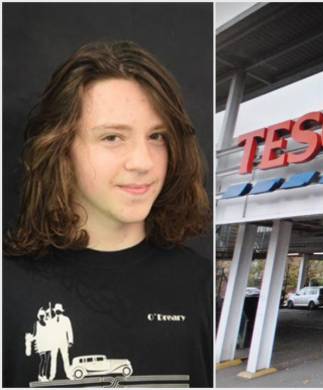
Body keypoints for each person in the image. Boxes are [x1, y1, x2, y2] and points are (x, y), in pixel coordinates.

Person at [3, 41, 212, 387]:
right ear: (60, 148)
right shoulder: (7, 289)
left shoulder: (200, 287)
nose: (143, 162)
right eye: (113, 137)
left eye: (157, 136)